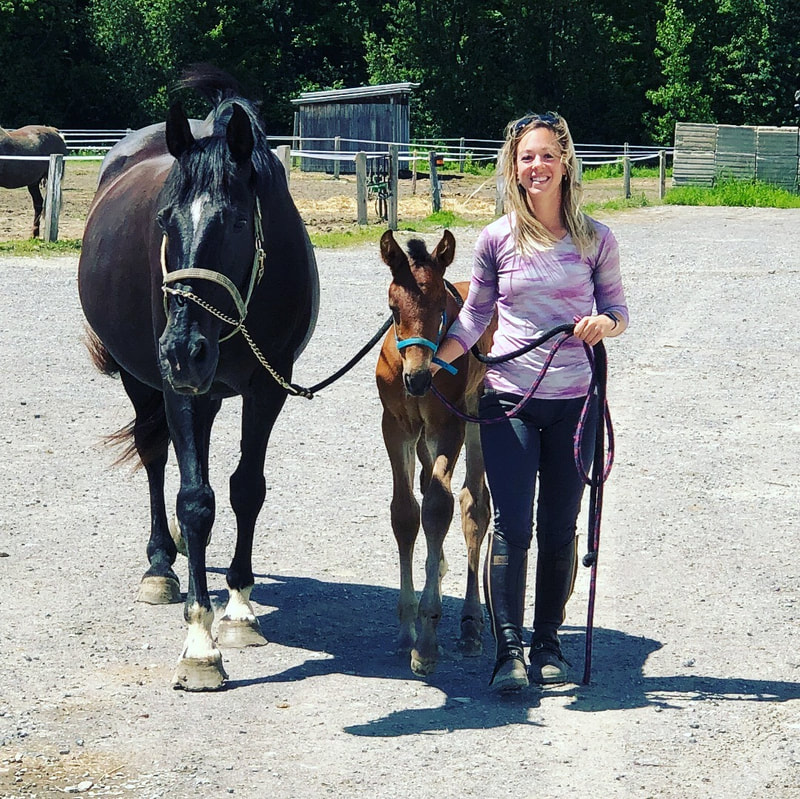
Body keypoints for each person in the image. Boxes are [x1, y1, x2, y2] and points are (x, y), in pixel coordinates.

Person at [431, 112, 628, 692]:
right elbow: (474, 315)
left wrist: (602, 324)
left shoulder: (595, 239)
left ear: (565, 160)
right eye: (525, 158)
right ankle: (508, 650)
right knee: (513, 527)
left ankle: (548, 643)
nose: (535, 166)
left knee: (560, 525)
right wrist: (438, 361)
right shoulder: (496, 239)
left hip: (576, 403)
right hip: (509, 399)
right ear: (513, 169)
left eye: (545, 155)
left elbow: (620, 312)